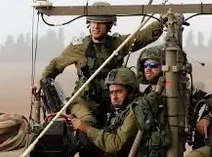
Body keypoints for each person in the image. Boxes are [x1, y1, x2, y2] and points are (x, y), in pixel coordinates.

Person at [35, 7, 164, 126]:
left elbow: (140, 37)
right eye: (93, 22)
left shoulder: (118, 44)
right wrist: (42, 81)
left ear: (108, 26)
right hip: (83, 101)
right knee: (88, 124)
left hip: (113, 99)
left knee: (138, 116)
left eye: (100, 23)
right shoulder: (78, 47)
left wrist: (161, 22)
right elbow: (56, 65)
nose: (95, 26)